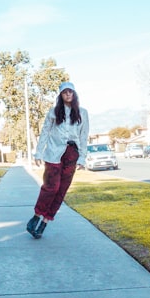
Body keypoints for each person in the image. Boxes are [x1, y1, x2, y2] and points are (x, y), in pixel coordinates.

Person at [26, 81, 89, 239]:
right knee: (51, 187)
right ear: (61, 95)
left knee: (61, 191)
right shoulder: (54, 112)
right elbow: (45, 132)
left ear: (74, 94)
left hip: (72, 154)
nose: (68, 94)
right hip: (54, 153)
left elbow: (83, 136)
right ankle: (36, 217)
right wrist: (38, 153)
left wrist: (82, 157)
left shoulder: (82, 112)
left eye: (70, 92)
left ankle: (44, 223)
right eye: (65, 92)